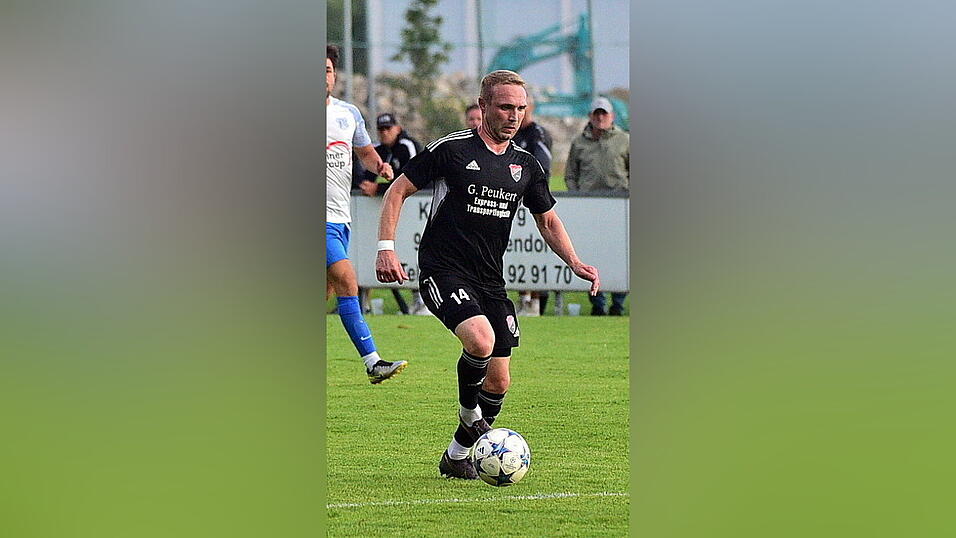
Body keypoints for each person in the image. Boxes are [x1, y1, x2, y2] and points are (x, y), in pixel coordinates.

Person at [375, 70, 600, 479]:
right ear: (482, 107)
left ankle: (457, 455)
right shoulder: (453, 150)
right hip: (443, 269)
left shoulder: (527, 165)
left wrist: (574, 261)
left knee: (499, 382)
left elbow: (547, 221)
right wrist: (386, 248)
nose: (514, 115)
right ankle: (470, 415)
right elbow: (397, 190)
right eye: (505, 106)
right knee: (480, 339)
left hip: (490, 279)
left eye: (520, 108)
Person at [326, 45, 407, 383]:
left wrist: (381, 167)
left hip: (340, 217)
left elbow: (366, 154)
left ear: (334, 75)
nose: (323, 76)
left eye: (328, 69)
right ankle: (373, 362)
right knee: (348, 280)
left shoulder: (348, 114)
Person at [355, 112, 428, 315]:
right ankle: (365, 303)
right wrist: (366, 185)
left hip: (414, 207)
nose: (384, 133)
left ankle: (420, 300)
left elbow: (414, 177)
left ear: (397, 128)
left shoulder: (407, 146)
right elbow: (366, 175)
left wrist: (378, 189)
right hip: (394, 211)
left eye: (388, 128)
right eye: (380, 129)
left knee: (415, 249)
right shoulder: (379, 151)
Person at [566, 96, 630, 316]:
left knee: (621, 255)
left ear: (611, 116)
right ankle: (598, 302)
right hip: (589, 208)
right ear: (590, 116)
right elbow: (571, 174)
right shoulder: (579, 143)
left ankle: (618, 302)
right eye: (597, 114)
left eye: (604, 114)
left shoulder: (624, 140)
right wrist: (577, 198)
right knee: (592, 255)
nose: (600, 117)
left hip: (618, 206)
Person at [511, 95, 555, 317]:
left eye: (523, 107)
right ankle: (523, 298)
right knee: (517, 248)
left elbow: (542, 168)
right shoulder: (511, 133)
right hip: (512, 199)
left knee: (534, 249)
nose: (518, 113)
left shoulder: (537, 134)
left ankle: (535, 301)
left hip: (531, 199)